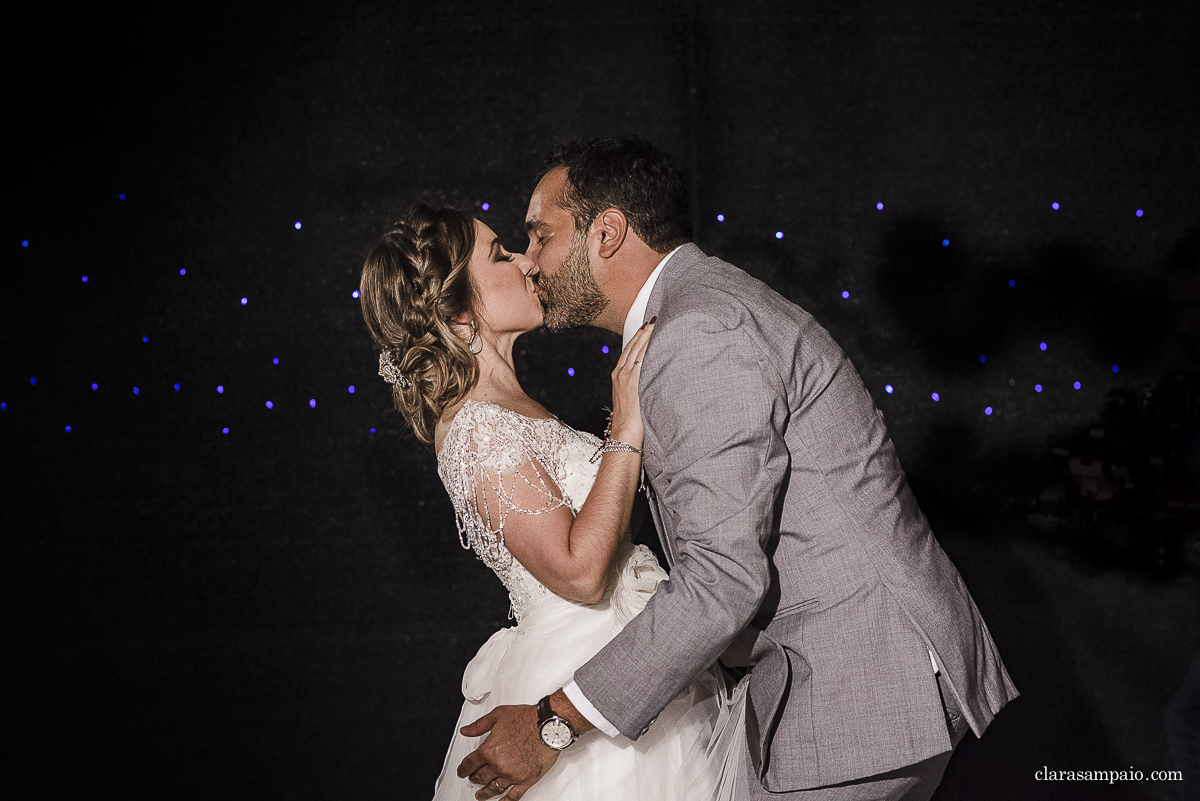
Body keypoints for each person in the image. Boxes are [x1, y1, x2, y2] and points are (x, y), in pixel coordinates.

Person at [456, 136, 1019, 801]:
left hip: (857, 684)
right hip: (861, 670)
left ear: (607, 233)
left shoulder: (698, 333)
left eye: (540, 235)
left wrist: (553, 722)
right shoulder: (697, 310)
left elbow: (723, 578)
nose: (530, 259)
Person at [358, 205, 745, 800]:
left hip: (625, 657)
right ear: (462, 313)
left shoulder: (511, 410)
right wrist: (626, 428)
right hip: (575, 670)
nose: (523, 259)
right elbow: (581, 573)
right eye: (498, 255)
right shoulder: (477, 431)